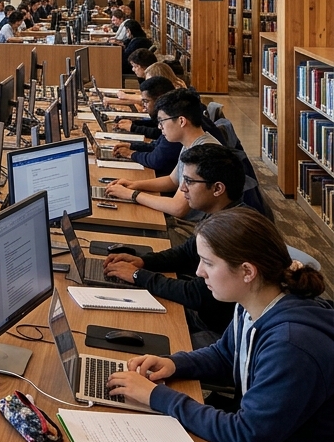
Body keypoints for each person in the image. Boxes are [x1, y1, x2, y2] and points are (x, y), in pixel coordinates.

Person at [106, 208, 334, 442]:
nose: (199, 272)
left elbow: (245, 437)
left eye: (209, 263)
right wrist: (174, 363)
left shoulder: (291, 346)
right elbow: (226, 354)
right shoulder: (254, 301)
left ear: (248, 271)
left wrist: (155, 395)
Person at [102, 144, 265, 345]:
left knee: (135, 326)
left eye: (189, 181)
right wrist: (143, 262)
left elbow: (197, 294)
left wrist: (138, 276)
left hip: (219, 332)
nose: (182, 188)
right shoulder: (220, 215)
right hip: (207, 314)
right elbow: (186, 253)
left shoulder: (232, 232)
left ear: (217, 189)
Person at [104, 90, 220, 218]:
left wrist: (132, 195)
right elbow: (172, 180)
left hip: (194, 226)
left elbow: (177, 208)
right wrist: (134, 184)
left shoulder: (203, 153)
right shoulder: (191, 143)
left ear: (181, 121)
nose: (159, 127)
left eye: (162, 121)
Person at [110, 77, 180, 175]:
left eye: (146, 101)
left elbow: (155, 160)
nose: (143, 106)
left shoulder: (175, 122)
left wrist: (130, 154)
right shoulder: (171, 114)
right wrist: (132, 146)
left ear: (160, 99)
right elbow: (156, 145)